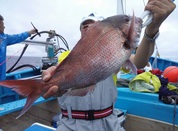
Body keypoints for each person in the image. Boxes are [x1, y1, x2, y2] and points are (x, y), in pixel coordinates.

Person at [42, 0, 176, 131]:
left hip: (109, 124)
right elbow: (58, 73)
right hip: (70, 125)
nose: (89, 28)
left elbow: (139, 62)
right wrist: (50, 79)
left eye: (95, 25)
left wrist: (151, 30)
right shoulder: (67, 56)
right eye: (85, 26)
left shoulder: (115, 52)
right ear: (80, 32)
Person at [0, 15, 36, 80]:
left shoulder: (4, 38)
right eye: (2, 24)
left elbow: (17, 37)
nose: (4, 27)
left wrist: (29, 32)